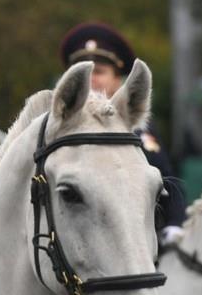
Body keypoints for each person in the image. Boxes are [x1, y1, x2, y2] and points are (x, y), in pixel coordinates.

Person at [60, 22, 186, 245]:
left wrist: (175, 223)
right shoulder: (56, 125)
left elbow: (165, 179)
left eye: (99, 72)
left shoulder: (138, 126)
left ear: (117, 79)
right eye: (82, 73)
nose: (90, 79)